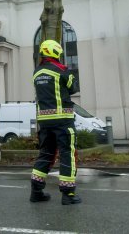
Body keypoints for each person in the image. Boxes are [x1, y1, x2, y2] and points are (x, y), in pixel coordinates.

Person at [30, 39, 81, 205]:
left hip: (44, 121)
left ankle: (36, 192)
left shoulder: (36, 73)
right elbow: (73, 88)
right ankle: (68, 195)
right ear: (55, 52)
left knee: (45, 154)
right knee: (68, 155)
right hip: (62, 121)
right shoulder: (61, 70)